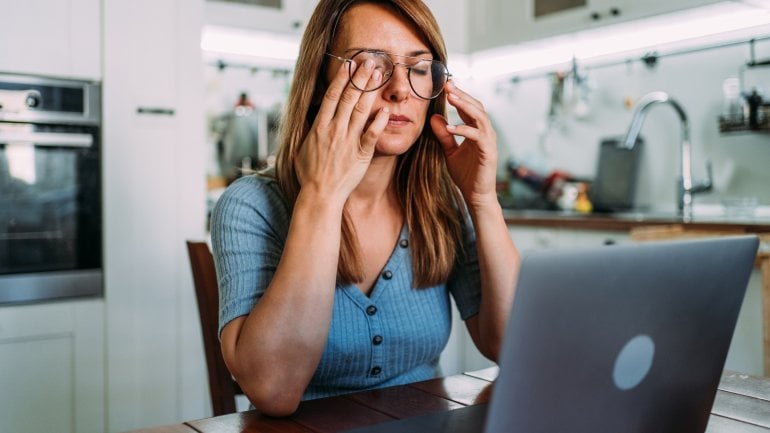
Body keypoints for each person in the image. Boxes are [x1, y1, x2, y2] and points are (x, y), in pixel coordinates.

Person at [210, 0, 520, 417]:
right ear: (320, 82)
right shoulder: (250, 206)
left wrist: (482, 200)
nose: (399, 89)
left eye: (417, 67)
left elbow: (510, 345)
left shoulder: (442, 199)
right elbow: (273, 390)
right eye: (370, 65)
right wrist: (322, 194)